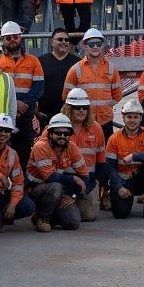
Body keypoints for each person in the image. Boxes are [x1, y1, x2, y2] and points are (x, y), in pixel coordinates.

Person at [26, 114, 88, 232]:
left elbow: (85, 176)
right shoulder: (41, 147)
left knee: (73, 222)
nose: (62, 136)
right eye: (58, 133)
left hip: (57, 192)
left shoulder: (72, 148)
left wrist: (73, 196)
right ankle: (43, 218)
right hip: (34, 191)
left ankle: (44, 215)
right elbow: (48, 176)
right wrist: (74, 179)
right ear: (50, 134)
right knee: (56, 186)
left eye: (66, 134)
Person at [105, 99, 144, 220]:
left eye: (135, 117)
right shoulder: (114, 139)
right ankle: (119, 197)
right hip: (124, 182)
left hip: (142, 179)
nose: (132, 120)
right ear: (123, 117)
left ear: (141, 118)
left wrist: (135, 156)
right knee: (120, 214)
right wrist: (119, 187)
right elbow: (109, 167)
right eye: (129, 117)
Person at [0, 21, 45, 165]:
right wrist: (14, 104)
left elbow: (39, 88)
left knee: (24, 154)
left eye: (15, 36)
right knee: (2, 154)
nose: (12, 40)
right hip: (3, 115)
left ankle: (22, 185)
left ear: (20, 37)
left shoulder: (33, 61)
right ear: (3, 40)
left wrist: (23, 104)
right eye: (8, 38)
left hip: (25, 115)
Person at [63, 28, 121, 140]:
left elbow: (117, 95)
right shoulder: (75, 69)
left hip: (105, 121)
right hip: (83, 122)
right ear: (84, 46)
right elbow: (66, 96)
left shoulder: (111, 69)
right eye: (91, 44)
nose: (95, 47)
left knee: (106, 154)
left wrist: (105, 106)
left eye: (98, 44)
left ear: (103, 45)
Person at [62, 88, 107, 221]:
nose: (81, 110)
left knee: (88, 216)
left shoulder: (96, 128)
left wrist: (96, 184)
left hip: (88, 180)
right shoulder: (57, 127)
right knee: (68, 216)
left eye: (84, 107)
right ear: (69, 108)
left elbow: (101, 161)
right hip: (63, 181)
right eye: (77, 107)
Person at [39, 27, 79, 120]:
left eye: (66, 40)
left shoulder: (78, 63)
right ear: (52, 42)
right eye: (60, 39)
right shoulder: (40, 62)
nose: (64, 42)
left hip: (71, 114)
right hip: (46, 115)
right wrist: (36, 110)